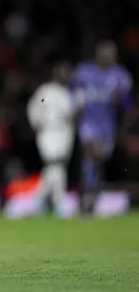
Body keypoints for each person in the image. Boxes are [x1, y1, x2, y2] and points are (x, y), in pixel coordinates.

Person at [71, 40, 133, 215]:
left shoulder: (120, 75)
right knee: (90, 153)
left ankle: (95, 194)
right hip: (88, 123)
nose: (107, 57)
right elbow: (73, 93)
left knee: (98, 161)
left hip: (107, 125)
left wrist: (124, 126)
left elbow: (128, 106)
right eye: (104, 53)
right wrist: (76, 107)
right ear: (97, 54)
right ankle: (88, 197)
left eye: (111, 54)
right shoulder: (84, 72)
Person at [27, 61, 76, 217]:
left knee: (56, 166)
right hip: (48, 132)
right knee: (54, 163)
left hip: (65, 133)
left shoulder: (70, 93)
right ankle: (57, 200)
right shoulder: (45, 90)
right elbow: (34, 107)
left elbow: (72, 114)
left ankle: (41, 199)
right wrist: (36, 123)